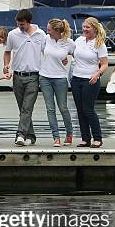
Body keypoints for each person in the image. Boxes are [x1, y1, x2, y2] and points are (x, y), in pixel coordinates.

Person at [3, 9, 46, 146]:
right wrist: (6, 65)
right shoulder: (13, 34)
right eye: (18, 24)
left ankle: (20, 135)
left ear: (29, 22)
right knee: (23, 108)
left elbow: (48, 52)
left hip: (33, 76)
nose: (20, 27)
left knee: (27, 108)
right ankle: (31, 135)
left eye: (22, 24)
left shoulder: (41, 34)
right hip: (17, 76)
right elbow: (7, 52)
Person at [71, 17, 108, 148]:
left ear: (94, 28)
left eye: (87, 27)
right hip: (76, 79)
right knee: (80, 110)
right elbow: (73, 54)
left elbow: (104, 64)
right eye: (84, 27)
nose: (85, 29)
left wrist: (97, 74)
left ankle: (97, 138)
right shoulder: (79, 40)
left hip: (90, 80)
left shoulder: (99, 44)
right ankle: (85, 138)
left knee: (88, 109)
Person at [40, 19, 76, 147]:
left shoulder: (68, 43)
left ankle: (69, 133)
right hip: (44, 77)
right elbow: (42, 51)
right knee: (50, 108)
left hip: (60, 78)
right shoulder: (45, 39)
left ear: (57, 31)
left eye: (49, 29)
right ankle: (56, 137)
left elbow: (78, 56)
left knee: (63, 107)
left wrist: (66, 59)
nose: (47, 31)